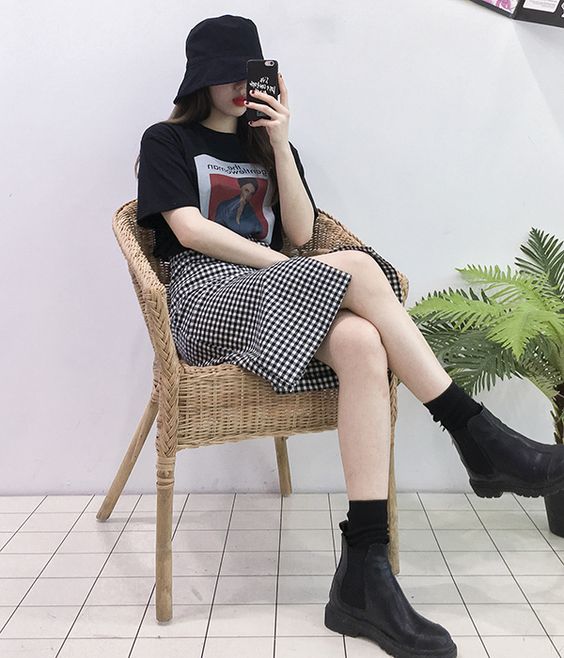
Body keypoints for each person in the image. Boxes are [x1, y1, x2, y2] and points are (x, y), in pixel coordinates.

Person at [134, 14, 564, 658]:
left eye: (249, 74)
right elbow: (190, 230)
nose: (240, 88)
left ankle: (363, 573)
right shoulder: (168, 140)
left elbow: (303, 234)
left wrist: (281, 145)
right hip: (206, 298)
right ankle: (476, 435)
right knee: (359, 268)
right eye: (226, 76)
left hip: (278, 297)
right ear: (200, 79)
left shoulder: (266, 144)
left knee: (362, 343)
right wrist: (285, 268)